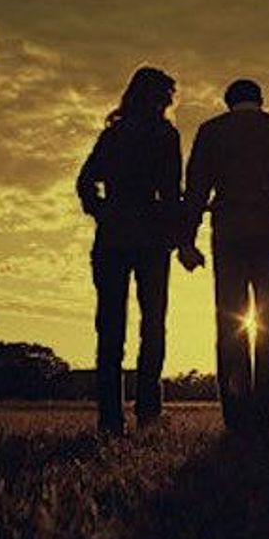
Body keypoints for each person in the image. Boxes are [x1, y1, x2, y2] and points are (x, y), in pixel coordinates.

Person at [179, 78, 269, 433]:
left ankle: (237, 410)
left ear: (228, 102)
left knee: (230, 322)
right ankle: (268, 407)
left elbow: (196, 188)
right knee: (268, 319)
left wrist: (187, 240)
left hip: (228, 233)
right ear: (260, 100)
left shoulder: (212, 132)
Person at [76, 66, 196, 435]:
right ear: (160, 98)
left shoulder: (113, 134)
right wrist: (182, 239)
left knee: (110, 330)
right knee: (153, 326)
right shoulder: (165, 135)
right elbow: (171, 192)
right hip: (151, 238)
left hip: (112, 238)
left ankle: (110, 419)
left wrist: (101, 210)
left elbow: (85, 182)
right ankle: (148, 412)